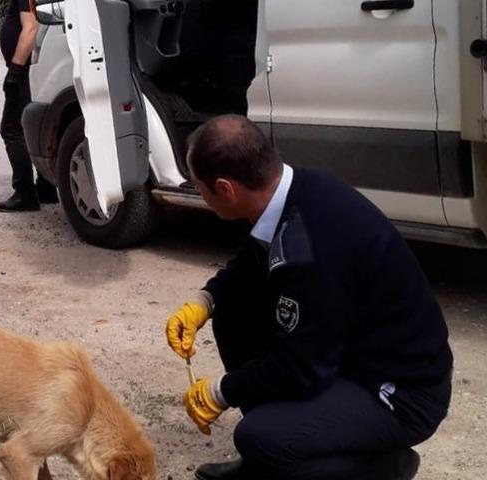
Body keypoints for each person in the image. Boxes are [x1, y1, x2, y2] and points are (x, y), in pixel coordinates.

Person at [165, 115, 453, 480]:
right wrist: (205, 300)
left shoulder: (309, 245)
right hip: (352, 352)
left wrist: (222, 391)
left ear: (226, 189)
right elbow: (252, 260)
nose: (199, 195)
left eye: (199, 188)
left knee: (258, 437)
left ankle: (382, 466)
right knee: (234, 310)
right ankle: (277, 455)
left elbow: (303, 368)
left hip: (400, 392)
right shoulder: (293, 191)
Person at [0, 0, 58, 212]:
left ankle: (25, 194)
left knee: (12, 130)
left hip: (25, 69)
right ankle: (46, 187)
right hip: (37, 67)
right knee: (37, 126)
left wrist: (15, 70)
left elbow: (30, 29)